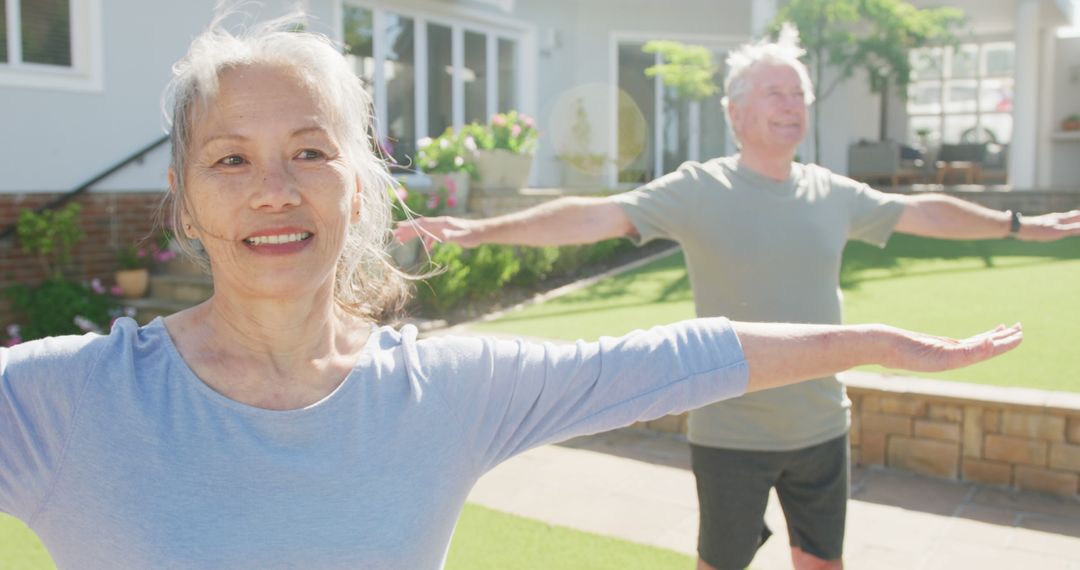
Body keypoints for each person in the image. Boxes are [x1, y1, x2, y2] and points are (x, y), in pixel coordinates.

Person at [0, 15, 1025, 570]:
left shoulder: (441, 393)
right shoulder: (62, 401)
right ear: (183, 200)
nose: (274, 187)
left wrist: (875, 338)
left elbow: (678, 355)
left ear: (357, 191)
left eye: (310, 150)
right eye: (230, 159)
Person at [395, 26, 1080, 570]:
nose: (794, 106)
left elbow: (924, 212)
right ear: (736, 111)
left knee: (821, 562)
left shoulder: (833, 194)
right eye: (778, 93)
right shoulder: (698, 190)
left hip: (822, 426)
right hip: (731, 433)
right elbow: (591, 215)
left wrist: (1017, 225)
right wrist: (482, 230)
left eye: (800, 95)